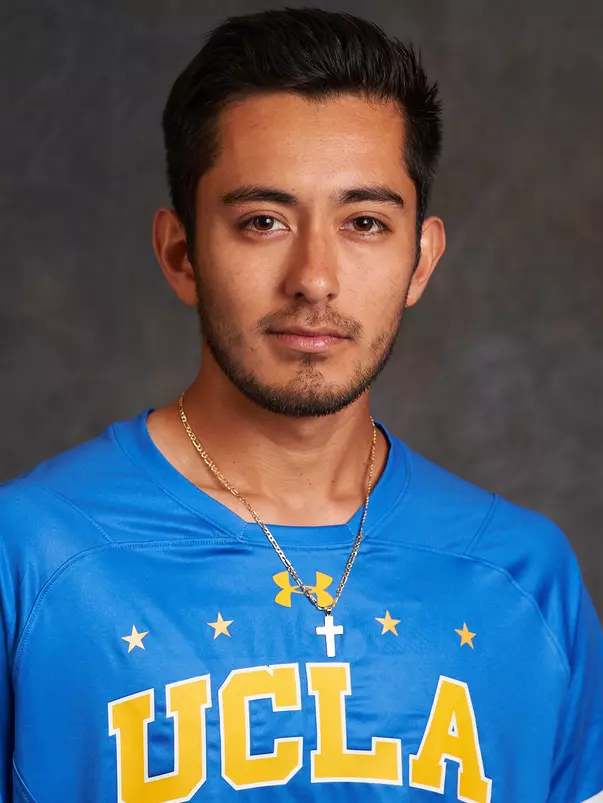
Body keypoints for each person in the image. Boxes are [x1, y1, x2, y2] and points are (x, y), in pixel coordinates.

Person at [1, 6, 601, 802]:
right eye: (262, 221)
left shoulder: (523, 575)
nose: (314, 276)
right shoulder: (30, 556)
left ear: (419, 259)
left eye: (363, 222)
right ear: (181, 253)